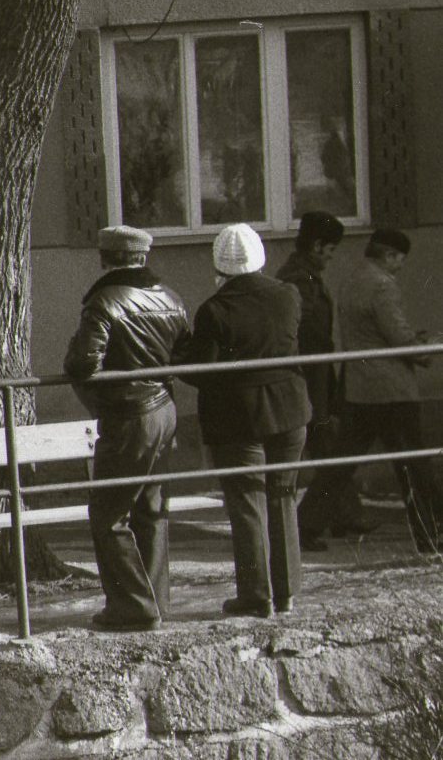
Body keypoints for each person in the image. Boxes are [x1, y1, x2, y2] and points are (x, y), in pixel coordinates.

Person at [178, 224, 310, 618]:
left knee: (248, 504)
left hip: (238, 418)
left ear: (219, 266)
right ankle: (286, 592)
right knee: (282, 497)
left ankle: (256, 596)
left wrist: (180, 353)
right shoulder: (288, 295)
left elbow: (202, 372)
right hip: (289, 410)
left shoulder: (214, 310)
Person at [64, 225, 190, 632]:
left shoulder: (103, 301)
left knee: (108, 513)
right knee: (151, 509)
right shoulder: (171, 297)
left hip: (128, 412)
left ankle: (132, 606)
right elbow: (184, 354)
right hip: (165, 408)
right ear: (143, 256)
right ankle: (155, 601)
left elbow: (84, 363)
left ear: (105, 258)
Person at [311, 230, 443, 553]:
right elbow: (397, 335)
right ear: (389, 256)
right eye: (399, 260)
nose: (400, 267)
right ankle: (430, 534)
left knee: (340, 463)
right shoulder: (383, 285)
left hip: (360, 389)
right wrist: (425, 349)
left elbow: (369, 334)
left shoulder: (351, 280)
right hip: (392, 391)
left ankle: (306, 523)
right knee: (413, 464)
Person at [282, 212, 368, 551]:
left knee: (329, 446)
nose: (331, 257)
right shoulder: (299, 279)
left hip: (315, 375)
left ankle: (343, 514)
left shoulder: (304, 275)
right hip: (309, 376)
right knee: (326, 447)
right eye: (330, 250)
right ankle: (312, 523)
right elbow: (305, 332)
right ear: (317, 246)